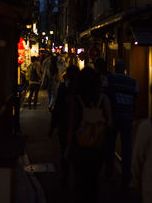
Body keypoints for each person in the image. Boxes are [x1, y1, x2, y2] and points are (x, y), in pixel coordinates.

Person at [67, 66, 112, 203]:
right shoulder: (103, 99)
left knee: (79, 180)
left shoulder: (75, 99)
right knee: (93, 181)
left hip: (79, 145)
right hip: (97, 146)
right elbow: (110, 123)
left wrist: (68, 147)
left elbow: (70, 125)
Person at [104, 59, 138, 186]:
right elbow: (135, 101)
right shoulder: (133, 82)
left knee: (110, 146)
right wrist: (133, 116)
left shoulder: (109, 79)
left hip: (113, 117)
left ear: (115, 67)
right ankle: (126, 177)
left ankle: (109, 173)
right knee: (127, 148)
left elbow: (105, 97)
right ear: (124, 68)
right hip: (127, 118)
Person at [48, 65, 80, 184]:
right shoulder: (82, 89)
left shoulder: (63, 88)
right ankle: (76, 177)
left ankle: (65, 175)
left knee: (64, 151)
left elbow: (57, 108)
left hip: (63, 125)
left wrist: (52, 126)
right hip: (78, 127)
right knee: (77, 152)